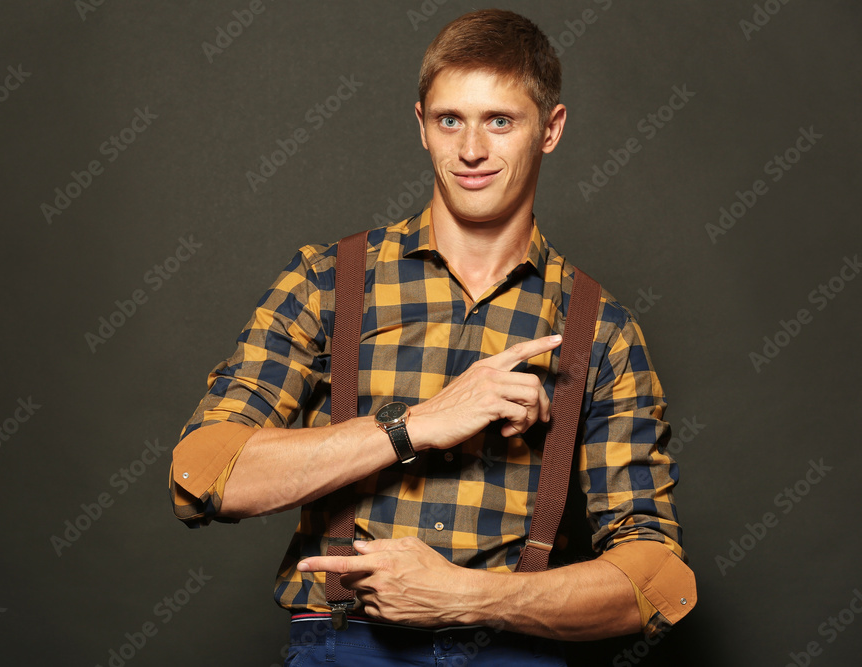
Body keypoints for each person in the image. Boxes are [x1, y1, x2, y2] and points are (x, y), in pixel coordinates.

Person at [169, 9, 696, 665]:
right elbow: (200, 474)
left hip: (516, 650)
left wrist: (470, 597)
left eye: (500, 121)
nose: (471, 149)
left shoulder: (602, 329)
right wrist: (415, 423)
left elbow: (659, 583)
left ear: (551, 130)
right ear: (421, 124)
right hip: (345, 645)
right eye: (451, 119)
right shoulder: (327, 283)